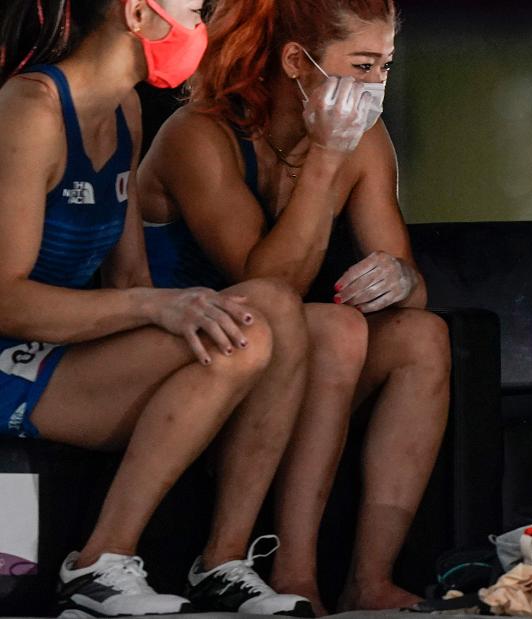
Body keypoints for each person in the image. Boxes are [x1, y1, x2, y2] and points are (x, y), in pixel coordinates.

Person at [0, 0, 315, 616]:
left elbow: (129, 276)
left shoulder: (123, 110)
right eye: (195, 11)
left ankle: (223, 563)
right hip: (7, 353)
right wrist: (156, 306)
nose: (203, 29)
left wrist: (162, 305)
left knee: (272, 304)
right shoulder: (28, 109)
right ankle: (96, 568)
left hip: (58, 347)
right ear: (138, 15)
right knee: (240, 337)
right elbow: (6, 300)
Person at [138, 0, 451, 611]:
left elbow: (414, 287)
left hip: (293, 368)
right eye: (362, 65)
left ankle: (370, 578)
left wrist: (398, 277)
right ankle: (295, 574)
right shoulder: (199, 135)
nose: (375, 86)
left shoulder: (367, 140)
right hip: (197, 364)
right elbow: (267, 288)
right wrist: (326, 158)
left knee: (422, 337)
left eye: (385, 67)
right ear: (296, 63)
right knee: (333, 328)